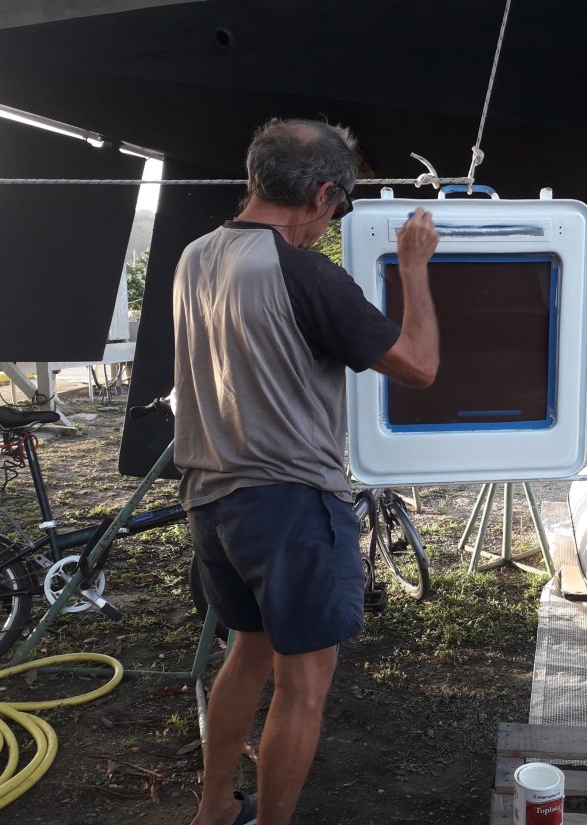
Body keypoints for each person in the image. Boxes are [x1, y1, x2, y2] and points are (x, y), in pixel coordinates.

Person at [172, 118, 440, 825]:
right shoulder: (305, 274)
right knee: (305, 685)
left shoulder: (195, 256)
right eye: (338, 208)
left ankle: (214, 809)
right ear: (322, 195)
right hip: (289, 504)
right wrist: (413, 267)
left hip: (210, 499)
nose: (331, 224)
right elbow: (419, 365)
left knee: (248, 651)